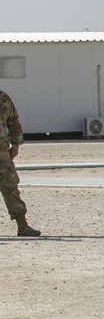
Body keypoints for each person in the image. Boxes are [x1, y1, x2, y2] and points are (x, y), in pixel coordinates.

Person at [0, 89, 40, 236]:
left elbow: (13, 122)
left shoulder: (3, 98)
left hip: (1, 154)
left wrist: (16, 145)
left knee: (11, 187)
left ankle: (22, 226)